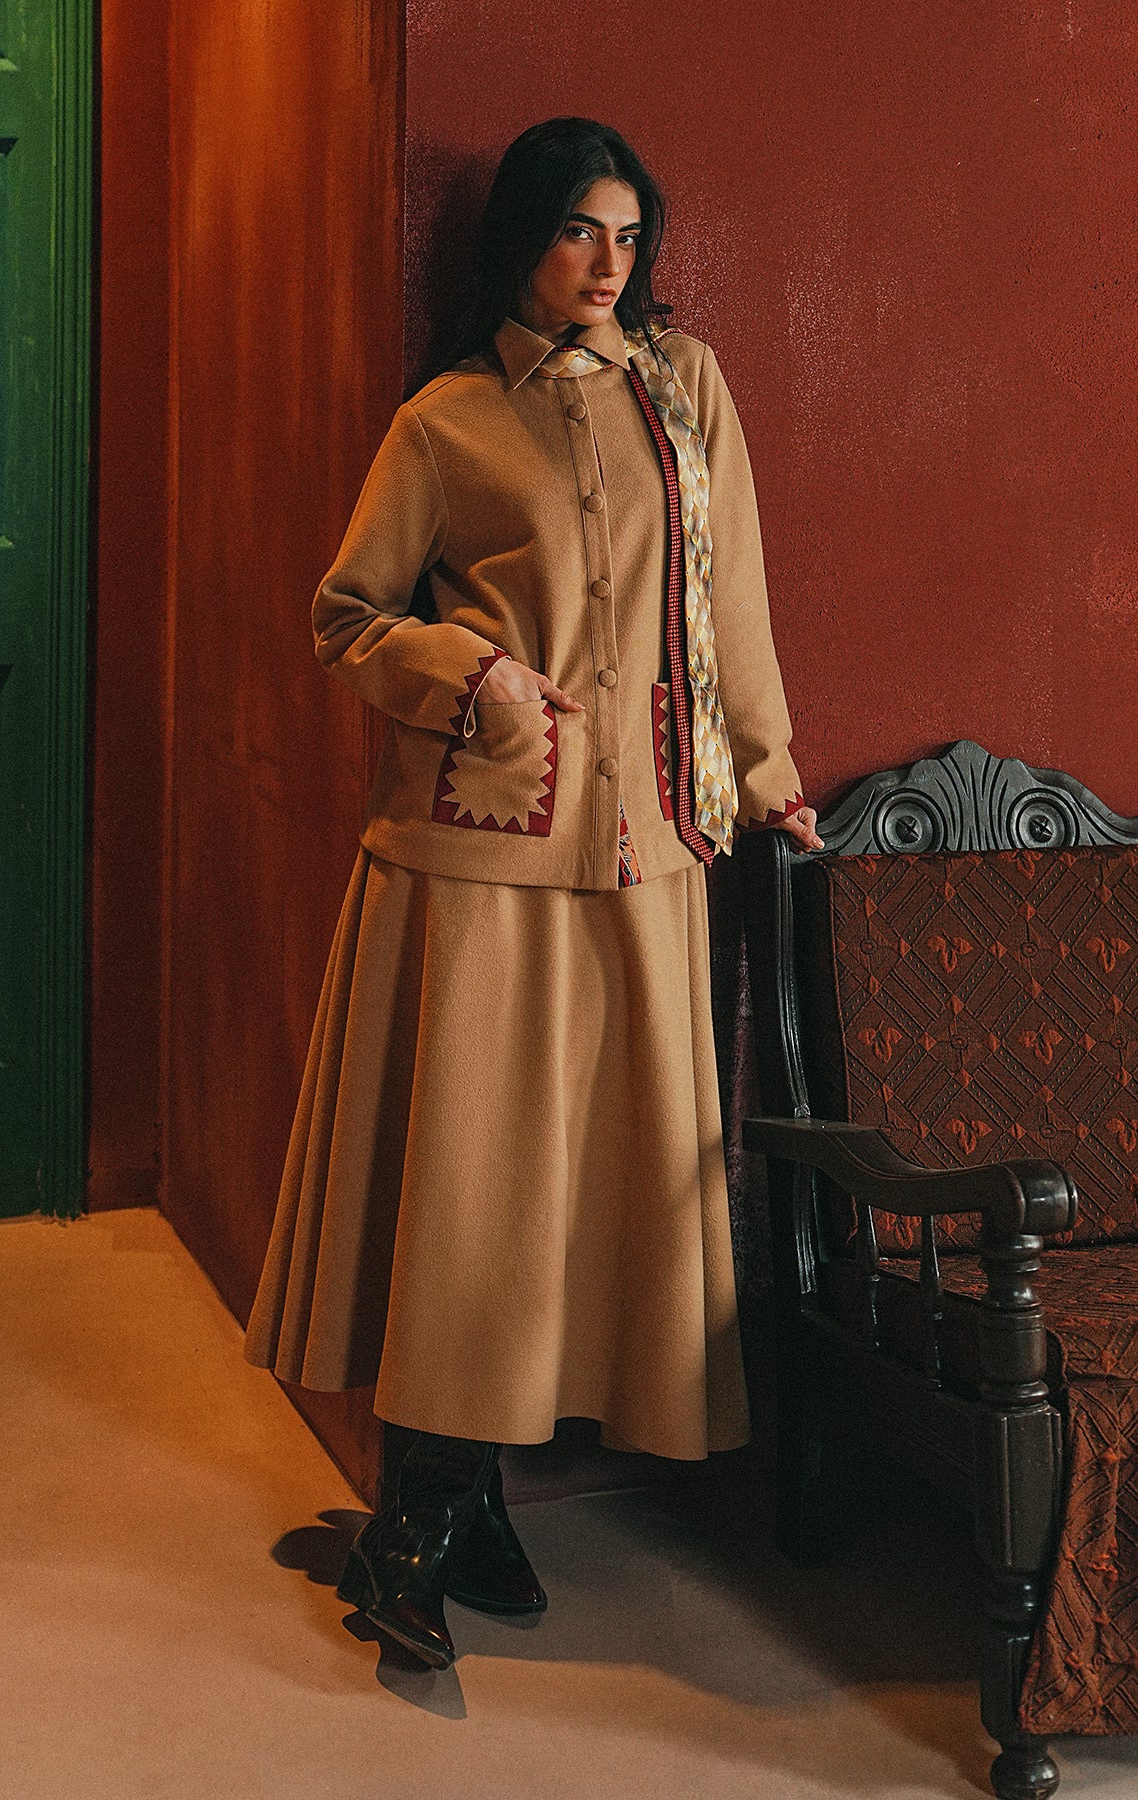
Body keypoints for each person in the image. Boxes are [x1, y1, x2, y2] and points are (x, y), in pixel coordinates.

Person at [245, 115, 823, 1671]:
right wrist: (477, 676)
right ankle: (426, 1522)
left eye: (628, 236)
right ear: (522, 240)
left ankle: (464, 1515)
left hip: (649, 850)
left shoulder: (686, 391)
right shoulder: (444, 422)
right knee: (476, 1189)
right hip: (483, 851)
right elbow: (346, 617)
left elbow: (734, 598)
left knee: (591, 1195)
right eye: (579, 232)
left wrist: (767, 776)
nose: (607, 264)